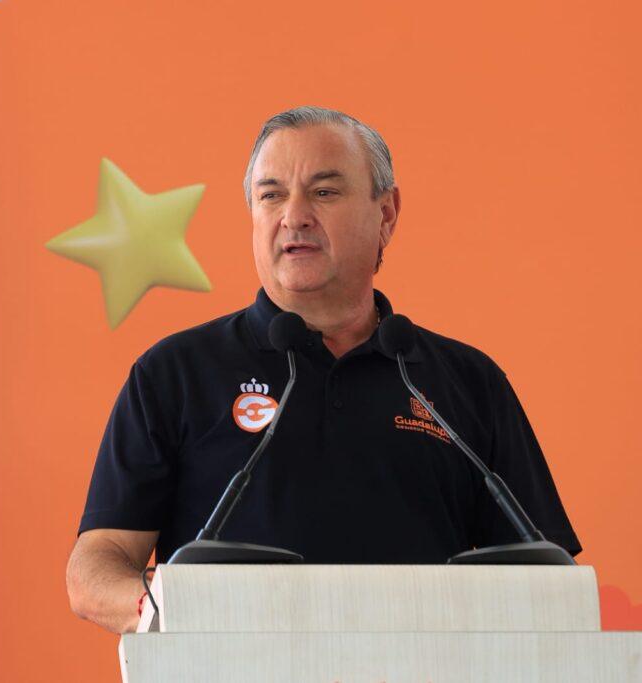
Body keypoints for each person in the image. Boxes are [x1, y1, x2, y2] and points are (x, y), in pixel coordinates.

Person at [65, 106, 581, 634]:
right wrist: (160, 614)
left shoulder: (466, 381)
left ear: (386, 214)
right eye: (271, 195)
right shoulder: (174, 373)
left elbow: (544, 579)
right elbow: (96, 567)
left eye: (325, 191)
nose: (294, 216)